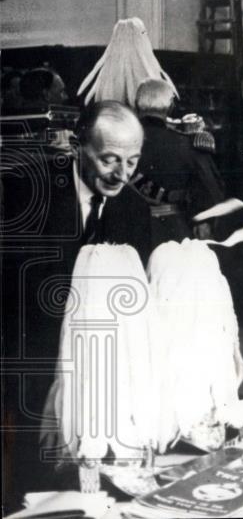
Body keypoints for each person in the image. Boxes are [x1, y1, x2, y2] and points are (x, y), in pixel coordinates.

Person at [1, 100, 151, 509]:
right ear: (78, 146)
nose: (122, 174)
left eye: (132, 161)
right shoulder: (21, 192)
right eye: (109, 160)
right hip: (22, 359)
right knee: (18, 487)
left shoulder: (135, 211)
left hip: (88, 372)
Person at [131, 78, 225, 246]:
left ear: (136, 105)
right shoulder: (188, 143)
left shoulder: (120, 142)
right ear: (170, 107)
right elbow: (212, 189)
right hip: (173, 232)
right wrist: (203, 222)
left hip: (127, 230)